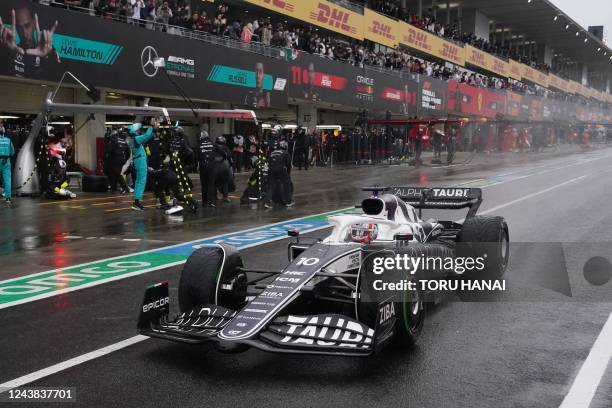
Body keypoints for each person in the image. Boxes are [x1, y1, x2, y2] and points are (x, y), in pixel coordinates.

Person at [127, 118, 156, 211]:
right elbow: (147, 135)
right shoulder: (136, 139)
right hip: (140, 161)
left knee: (139, 181)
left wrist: (144, 124)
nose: (139, 131)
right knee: (141, 181)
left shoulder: (132, 139)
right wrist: (151, 125)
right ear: (134, 131)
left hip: (138, 161)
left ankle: (137, 202)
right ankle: (137, 202)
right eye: (137, 130)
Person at [265, 140, 294, 208]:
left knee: (271, 186)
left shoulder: (272, 152)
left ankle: (267, 203)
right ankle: (288, 202)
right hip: (281, 168)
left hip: (271, 169)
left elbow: (268, 162)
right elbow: (289, 165)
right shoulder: (286, 152)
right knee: (287, 184)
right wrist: (288, 174)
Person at [197, 131, 215, 207]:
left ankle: (204, 202)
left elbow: (196, 157)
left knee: (204, 185)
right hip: (211, 165)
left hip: (203, 166)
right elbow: (223, 153)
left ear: (201, 137)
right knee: (210, 184)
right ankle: (210, 202)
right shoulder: (213, 144)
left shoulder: (199, 145)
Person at [212, 136, 232, 203]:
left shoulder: (213, 147)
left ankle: (214, 196)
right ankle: (225, 197)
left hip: (214, 167)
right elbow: (229, 156)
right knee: (225, 182)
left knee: (214, 183)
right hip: (224, 167)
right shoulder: (225, 147)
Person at [0, 126, 15, 205]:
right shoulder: (8, 140)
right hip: (6, 161)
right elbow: (12, 152)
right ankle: (8, 198)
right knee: (7, 180)